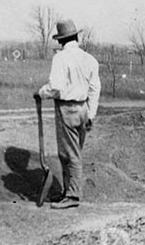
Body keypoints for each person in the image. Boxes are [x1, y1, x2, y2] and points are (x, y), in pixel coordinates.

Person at [34, 19, 100, 209]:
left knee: (70, 154)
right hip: (84, 109)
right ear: (76, 37)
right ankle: (67, 192)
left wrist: (41, 93)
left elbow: (56, 87)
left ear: (61, 40)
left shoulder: (61, 58)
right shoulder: (90, 59)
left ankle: (72, 196)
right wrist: (91, 114)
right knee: (73, 152)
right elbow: (95, 89)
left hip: (67, 109)